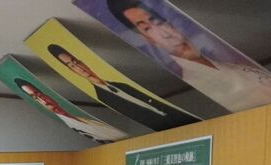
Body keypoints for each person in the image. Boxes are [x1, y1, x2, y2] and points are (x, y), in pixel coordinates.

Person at [107, 0, 271, 111]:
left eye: (159, 21)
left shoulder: (230, 61)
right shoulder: (198, 84)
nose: (166, 34)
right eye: (148, 28)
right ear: (146, 39)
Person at [46, 42, 197, 131]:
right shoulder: (103, 98)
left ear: (83, 62)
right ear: (71, 71)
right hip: (168, 128)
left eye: (76, 62)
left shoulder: (122, 84)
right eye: (71, 66)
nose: (79, 67)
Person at [13, 78, 126, 144]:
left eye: (40, 95)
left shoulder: (83, 116)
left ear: (47, 95)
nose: (43, 101)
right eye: (36, 98)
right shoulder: (70, 125)